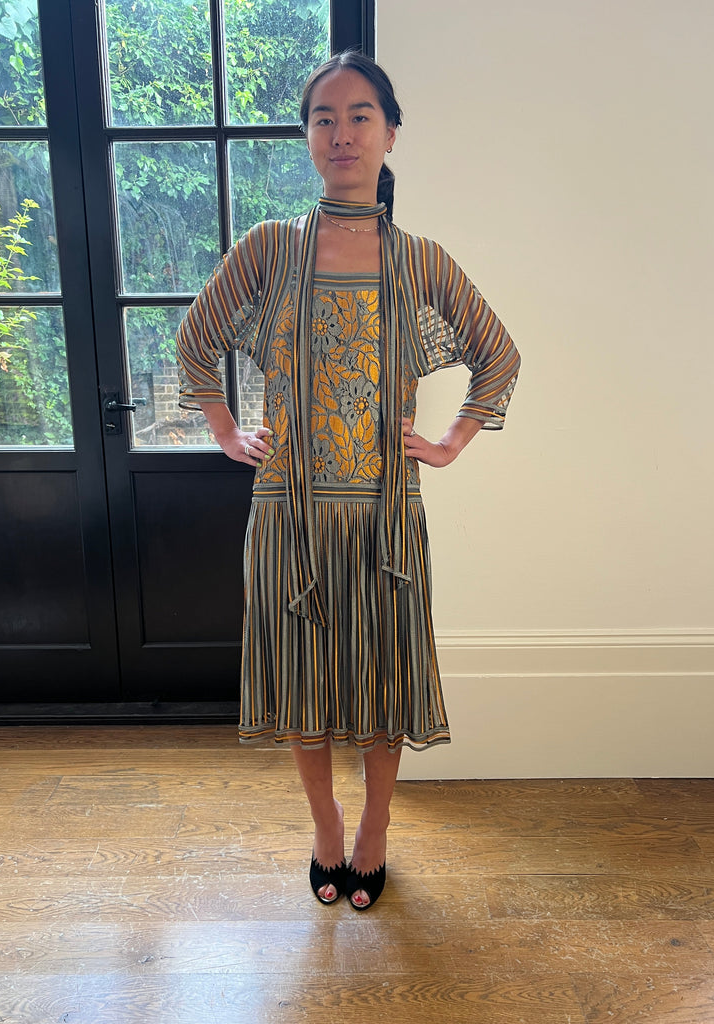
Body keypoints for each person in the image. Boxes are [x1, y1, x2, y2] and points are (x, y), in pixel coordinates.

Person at [176, 50, 520, 910]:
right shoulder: (271, 249)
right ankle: (325, 824)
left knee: (380, 678)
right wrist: (225, 430)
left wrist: (448, 442)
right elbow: (196, 337)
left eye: (360, 115)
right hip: (288, 512)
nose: (342, 133)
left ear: (390, 133)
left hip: (382, 514)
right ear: (307, 137)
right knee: (303, 678)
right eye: (324, 118)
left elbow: (498, 356)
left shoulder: (419, 261)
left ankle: (375, 827)